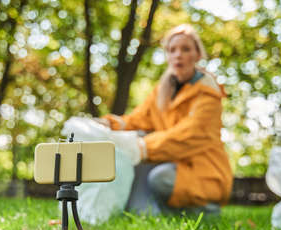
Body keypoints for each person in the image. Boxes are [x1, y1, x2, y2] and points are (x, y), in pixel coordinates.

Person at [98, 24, 233, 215]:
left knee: (160, 176)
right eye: (172, 50)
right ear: (168, 56)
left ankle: (206, 212)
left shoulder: (208, 95)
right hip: (173, 162)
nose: (178, 55)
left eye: (185, 49)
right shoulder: (162, 92)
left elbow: (189, 135)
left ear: (197, 55)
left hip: (203, 171)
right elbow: (138, 119)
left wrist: (141, 147)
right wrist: (109, 124)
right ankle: (143, 213)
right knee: (138, 136)